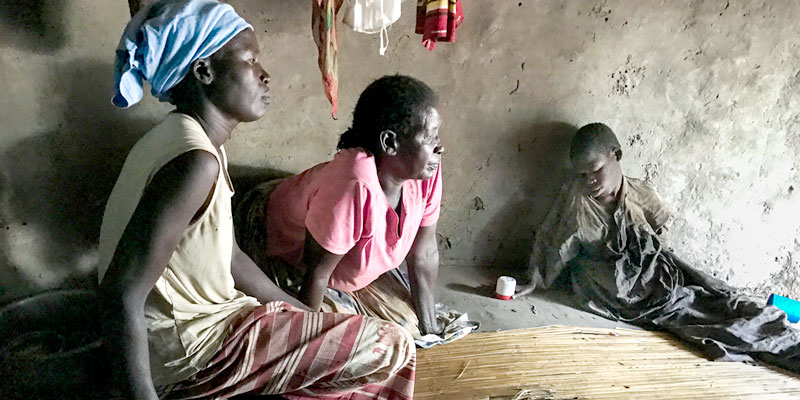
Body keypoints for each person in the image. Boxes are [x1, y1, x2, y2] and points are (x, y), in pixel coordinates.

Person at [97, 2, 416, 399]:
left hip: (202, 331)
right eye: (249, 60)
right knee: (392, 343)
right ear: (204, 72)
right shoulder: (194, 162)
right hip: (193, 354)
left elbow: (229, 257)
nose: (265, 75)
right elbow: (121, 291)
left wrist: (301, 313)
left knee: (337, 321)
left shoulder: (188, 141)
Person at [514, 122, 800, 372]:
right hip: (623, 294)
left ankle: (776, 332)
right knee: (700, 317)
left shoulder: (640, 192)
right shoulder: (577, 203)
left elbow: (661, 232)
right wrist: (536, 279)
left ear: (617, 156)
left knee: (728, 301)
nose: (589, 180)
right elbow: (553, 240)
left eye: (595, 170)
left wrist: (653, 257)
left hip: (658, 277)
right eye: (581, 175)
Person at [235, 75, 477, 348]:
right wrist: (304, 345)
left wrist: (430, 327)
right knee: (352, 344)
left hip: (335, 245)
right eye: (430, 137)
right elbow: (317, 273)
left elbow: (424, 251)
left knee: (410, 330)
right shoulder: (354, 186)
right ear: (390, 143)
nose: (439, 147)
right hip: (276, 240)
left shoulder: (425, 168)